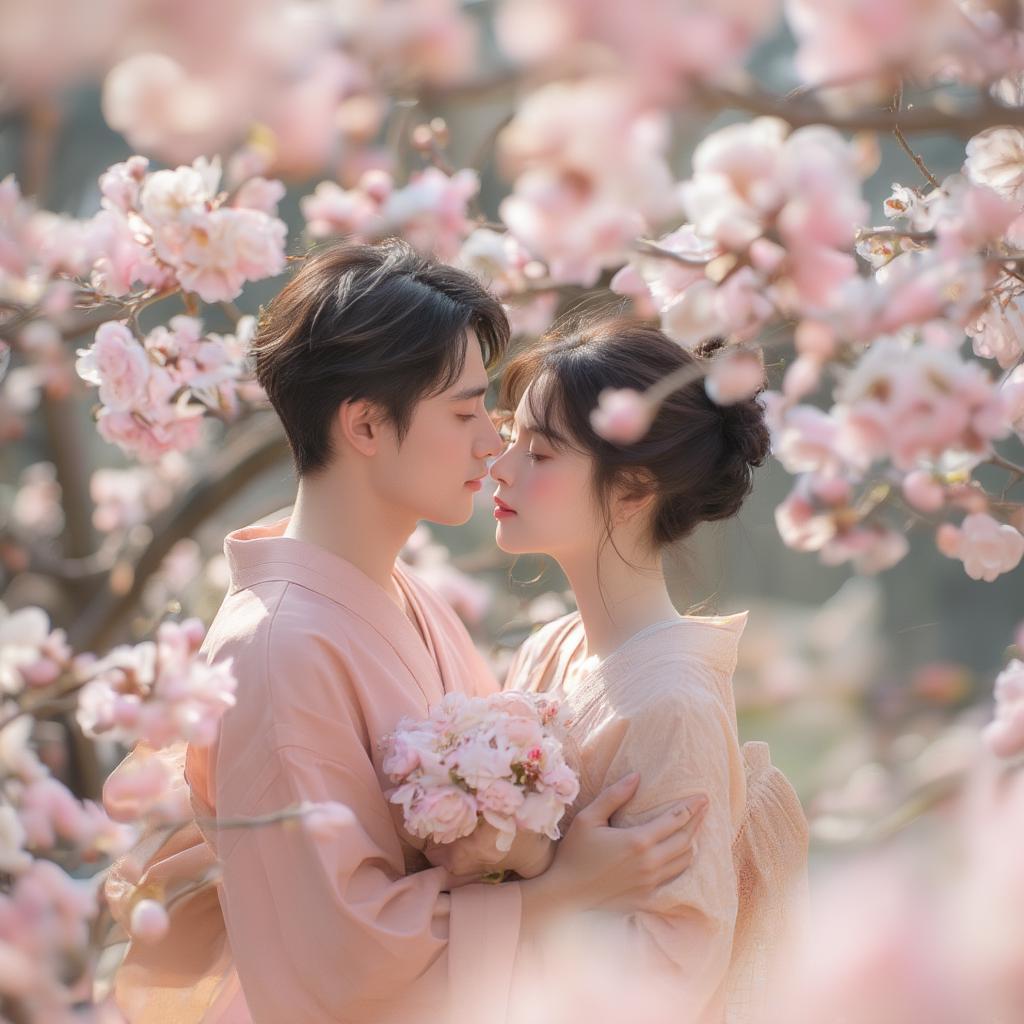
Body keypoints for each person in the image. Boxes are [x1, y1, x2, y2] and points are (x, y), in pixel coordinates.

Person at [101, 243, 706, 1024]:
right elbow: (344, 959)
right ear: (363, 424)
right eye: (462, 413)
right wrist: (562, 892)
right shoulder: (278, 648)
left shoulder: (399, 592)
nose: (492, 445)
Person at [453, 317, 809, 1023]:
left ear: (635, 487)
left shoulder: (673, 700)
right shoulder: (549, 647)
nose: (502, 465)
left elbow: (675, 970)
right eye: (511, 436)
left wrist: (546, 888)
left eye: (542, 452)